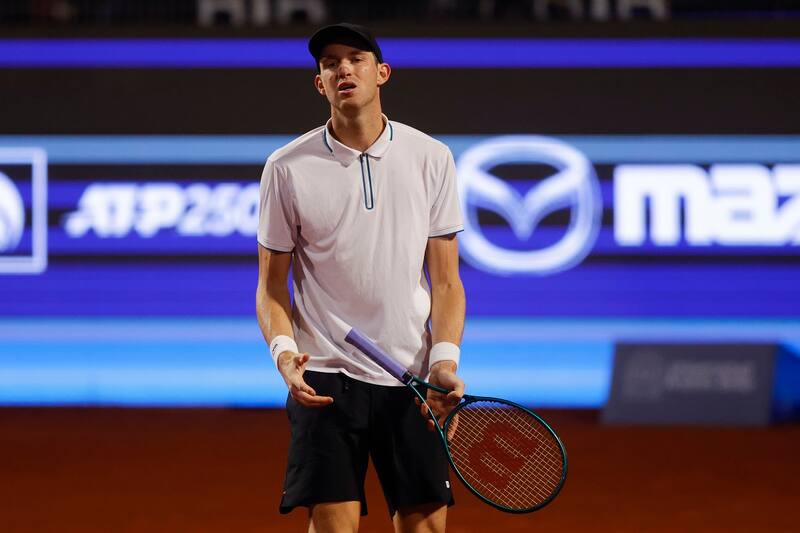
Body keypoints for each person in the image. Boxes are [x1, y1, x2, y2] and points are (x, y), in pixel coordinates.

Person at [256, 23, 466, 533]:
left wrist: (443, 362)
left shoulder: (431, 157)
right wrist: (285, 357)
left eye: (356, 58)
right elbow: (270, 288)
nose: (343, 68)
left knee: (427, 528)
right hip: (326, 376)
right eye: (330, 63)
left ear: (382, 73)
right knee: (333, 528)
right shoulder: (286, 167)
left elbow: (446, 282)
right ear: (320, 84)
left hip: (410, 376)